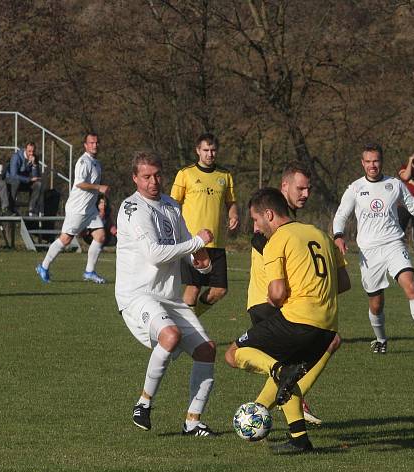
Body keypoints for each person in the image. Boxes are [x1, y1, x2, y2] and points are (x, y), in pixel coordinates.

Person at [225, 187, 351, 454]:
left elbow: (277, 293)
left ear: (269, 214)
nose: (256, 228)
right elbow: (343, 282)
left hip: (297, 321)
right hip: (327, 328)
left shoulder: (278, 240)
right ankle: (299, 439)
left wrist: (277, 300)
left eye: (257, 220)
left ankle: (280, 373)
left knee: (233, 353)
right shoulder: (321, 235)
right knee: (288, 370)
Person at [115, 151, 218, 437]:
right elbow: (155, 254)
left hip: (169, 296)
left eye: (158, 175)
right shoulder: (131, 208)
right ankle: (143, 404)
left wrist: (202, 261)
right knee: (170, 336)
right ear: (135, 178)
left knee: (207, 351)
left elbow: (185, 246)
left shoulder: (172, 205)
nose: (153, 181)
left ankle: (192, 422)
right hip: (137, 294)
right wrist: (198, 241)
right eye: (146, 176)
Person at [333, 143, 414, 354]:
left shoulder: (394, 184)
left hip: (394, 244)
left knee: (411, 286)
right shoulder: (355, 188)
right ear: (362, 163)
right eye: (368, 161)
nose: (372, 165)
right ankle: (381, 339)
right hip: (369, 252)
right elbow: (341, 215)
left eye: (375, 160)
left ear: (381, 161)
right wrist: (338, 236)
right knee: (376, 304)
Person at [246, 162, 336, 425]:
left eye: (309, 188)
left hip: (284, 301)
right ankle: (272, 405)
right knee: (294, 359)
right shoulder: (269, 214)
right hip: (268, 301)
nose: (306, 193)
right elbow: (259, 240)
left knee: (310, 351)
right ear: (284, 186)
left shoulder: (292, 223)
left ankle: (268, 407)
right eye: (300, 188)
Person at [170, 133, 239, 317]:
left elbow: (230, 202)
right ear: (198, 151)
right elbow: (173, 204)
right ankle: (188, 328)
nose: (210, 154)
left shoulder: (225, 175)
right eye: (206, 150)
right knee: (193, 286)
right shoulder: (186, 173)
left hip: (217, 243)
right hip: (194, 241)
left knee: (220, 289)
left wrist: (233, 215)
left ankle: (187, 323)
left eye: (213, 150)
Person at [37, 133, 109, 284]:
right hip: (78, 209)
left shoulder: (96, 163)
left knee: (100, 236)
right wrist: (98, 187)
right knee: (66, 239)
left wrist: (99, 197)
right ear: (85, 145)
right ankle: (43, 267)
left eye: (96, 142)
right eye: (91, 143)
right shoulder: (83, 162)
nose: (95, 145)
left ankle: (89, 272)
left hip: (90, 209)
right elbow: (80, 184)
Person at [7, 141, 43, 216]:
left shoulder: (35, 158)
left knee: (38, 184)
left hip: (25, 181)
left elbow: (35, 176)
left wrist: (34, 165)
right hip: (11, 180)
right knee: (16, 182)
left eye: (33, 151)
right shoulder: (16, 157)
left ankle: (32, 209)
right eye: (29, 151)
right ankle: (11, 208)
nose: (31, 153)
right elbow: (13, 175)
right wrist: (29, 179)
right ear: (25, 150)